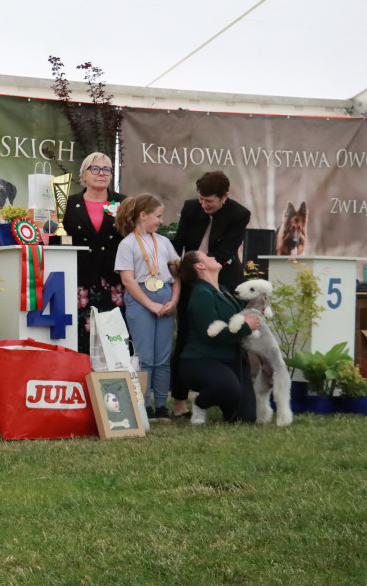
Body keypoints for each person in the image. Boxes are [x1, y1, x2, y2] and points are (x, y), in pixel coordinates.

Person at [169, 170, 251, 417]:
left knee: (232, 329)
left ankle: (237, 391)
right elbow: (179, 240)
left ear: (225, 196)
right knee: (185, 332)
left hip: (222, 275)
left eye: (209, 201)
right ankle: (180, 401)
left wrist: (209, 273)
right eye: (201, 198)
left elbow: (225, 251)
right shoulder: (191, 208)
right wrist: (176, 265)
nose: (203, 204)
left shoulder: (239, 214)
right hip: (191, 274)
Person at [114, 193, 180, 422]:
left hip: (165, 295)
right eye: (158, 216)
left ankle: (162, 404)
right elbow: (128, 280)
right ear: (143, 215)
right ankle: (144, 404)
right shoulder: (128, 244)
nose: (161, 221)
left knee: (162, 356)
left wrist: (173, 300)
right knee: (144, 357)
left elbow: (176, 274)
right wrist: (150, 304)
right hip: (141, 298)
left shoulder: (164, 243)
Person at [176, 251, 259, 424]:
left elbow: (237, 318)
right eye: (207, 256)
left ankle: (227, 398)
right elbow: (210, 335)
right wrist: (246, 327)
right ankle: (200, 403)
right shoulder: (201, 294)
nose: (213, 257)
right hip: (200, 360)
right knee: (227, 387)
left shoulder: (224, 290)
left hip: (232, 360)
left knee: (245, 418)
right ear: (200, 265)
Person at [62, 152, 126, 354]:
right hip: (81, 279)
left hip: (113, 279)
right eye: (95, 169)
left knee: (114, 337)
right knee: (82, 336)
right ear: (84, 174)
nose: (102, 174)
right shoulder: (68, 204)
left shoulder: (123, 203)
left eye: (107, 169)